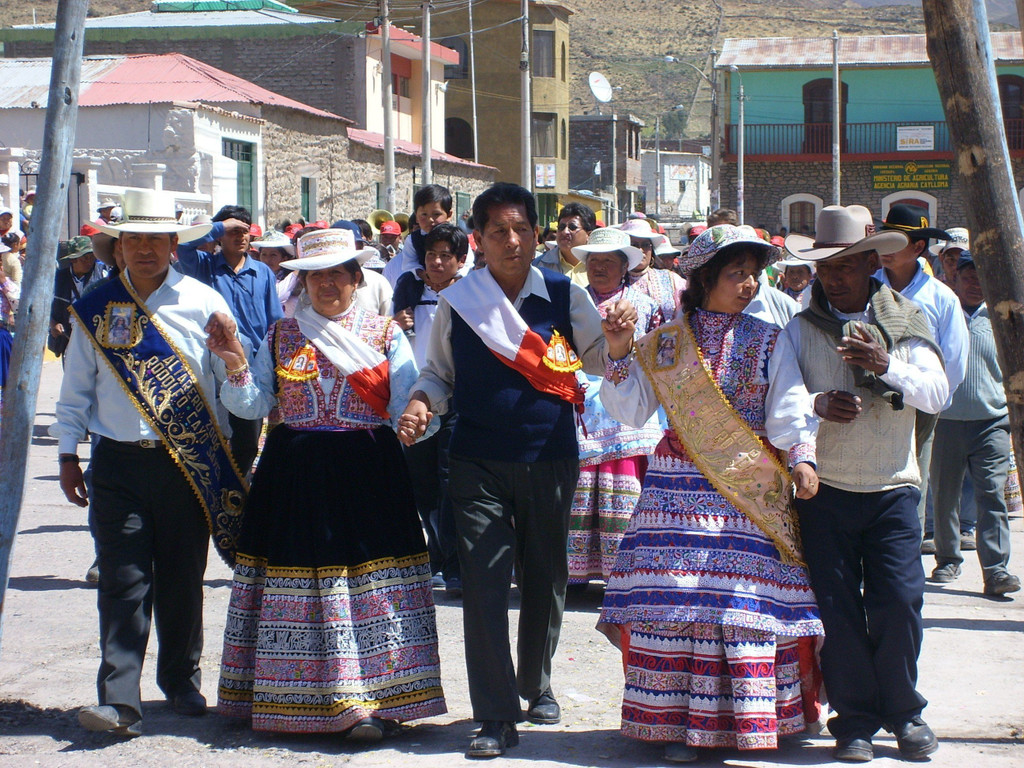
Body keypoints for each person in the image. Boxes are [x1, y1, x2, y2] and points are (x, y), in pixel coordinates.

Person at [400, 182, 631, 758]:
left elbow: (599, 361)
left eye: (521, 229)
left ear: (536, 235)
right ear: (477, 239)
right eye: (498, 231)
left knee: (546, 576)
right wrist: (421, 402)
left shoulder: (562, 293)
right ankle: (496, 716)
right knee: (482, 586)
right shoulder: (460, 301)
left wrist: (620, 341)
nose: (511, 240)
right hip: (477, 461)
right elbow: (438, 375)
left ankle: (537, 680)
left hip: (550, 455)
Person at [597, 224, 824, 763]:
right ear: (703, 280)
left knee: (741, 603)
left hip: (744, 494)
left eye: (753, 273)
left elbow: (788, 406)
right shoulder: (667, 343)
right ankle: (675, 725)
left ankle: (740, 722)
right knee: (677, 602)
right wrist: (617, 351)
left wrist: (802, 457)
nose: (748, 284)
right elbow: (629, 410)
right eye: (735, 274)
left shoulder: (770, 337)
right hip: (674, 493)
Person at [210, 227, 445, 738]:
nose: (326, 284)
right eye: (315, 275)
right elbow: (253, 405)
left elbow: (412, 399)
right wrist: (233, 365)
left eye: (338, 273)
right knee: (301, 581)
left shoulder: (385, 334)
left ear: (357, 279)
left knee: (369, 584)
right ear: (302, 282)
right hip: (293, 474)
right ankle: (292, 699)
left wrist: (417, 420)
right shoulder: (282, 335)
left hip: (368, 472)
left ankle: (375, 703)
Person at [51, 188, 248, 737]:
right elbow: (75, 394)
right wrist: (67, 455)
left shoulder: (206, 303)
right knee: (123, 578)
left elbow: (234, 388)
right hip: (117, 462)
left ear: (173, 245)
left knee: (183, 577)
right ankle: (118, 697)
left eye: (154, 239)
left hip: (188, 463)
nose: (143, 249)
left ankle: (181, 681)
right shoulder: (93, 309)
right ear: (117, 248)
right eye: (132, 239)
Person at [775, 205, 948, 762]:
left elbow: (937, 393)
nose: (835, 276)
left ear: (872, 262)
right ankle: (853, 721)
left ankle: (904, 712)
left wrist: (884, 366)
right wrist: (818, 403)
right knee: (838, 609)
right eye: (827, 267)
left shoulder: (906, 322)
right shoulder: (800, 330)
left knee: (899, 602)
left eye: (847, 264)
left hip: (894, 486)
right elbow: (779, 406)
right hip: (825, 490)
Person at [566, 227, 661, 585]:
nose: (600, 267)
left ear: (624, 267)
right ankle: (576, 574)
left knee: (625, 488)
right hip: (580, 409)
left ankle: (622, 575)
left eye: (609, 261)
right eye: (594, 261)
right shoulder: (573, 305)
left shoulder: (646, 307)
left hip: (627, 412)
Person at [875, 204, 968, 552]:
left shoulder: (940, 297)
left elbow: (954, 361)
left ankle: (905, 559)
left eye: (894, 242)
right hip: (871, 402)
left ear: (917, 248)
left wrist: (933, 401)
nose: (885, 250)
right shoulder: (867, 287)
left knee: (911, 483)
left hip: (919, 406)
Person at [928, 251, 1021, 596]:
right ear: (955, 278)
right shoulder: (943, 315)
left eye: (982, 277)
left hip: (992, 423)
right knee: (945, 495)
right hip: (946, 422)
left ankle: (996, 570)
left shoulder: (1002, 317)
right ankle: (948, 559)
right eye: (969, 277)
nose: (976, 284)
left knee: (991, 496)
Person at [177, 204, 283, 475]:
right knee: (213, 435)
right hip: (211, 365)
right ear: (219, 236)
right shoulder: (204, 266)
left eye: (245, 231)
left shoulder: (263, 273)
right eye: (232, 231)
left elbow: (275, 321)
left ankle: (239, 494)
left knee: (247, 438)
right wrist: (220, 226)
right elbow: (184, 246)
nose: (240, 237)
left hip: (251, 366)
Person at [392, 223, 469, 595]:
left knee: (449, 481)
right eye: (431, 255)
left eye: (445, 256)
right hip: (414, 399)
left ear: (460, 261)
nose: (436, 263)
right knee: (421, 483)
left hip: (454, 399)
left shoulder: (471, 296)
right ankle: (435, 555)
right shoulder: (408, 289)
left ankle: (454, 562)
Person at [383, 184, 457, 287]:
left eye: (436, 214)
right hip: (420, 289)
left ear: (449, 215)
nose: (430, 220)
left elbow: (467, 263)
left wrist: (456, 279)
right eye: (424, 215)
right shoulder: (413, 239)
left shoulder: (457, 237)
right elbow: (409, 263)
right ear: (416, 217)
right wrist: (422, 274)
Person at [49, 236, 108, 359]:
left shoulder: (103, 274)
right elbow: (44, 307)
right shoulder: (57, 278)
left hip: (96, 337)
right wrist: (53, 324)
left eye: (92, 257)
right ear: (72, 260)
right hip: (68, 337)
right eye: (85, 258)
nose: (89, 261)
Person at [622, 218, 685, 324]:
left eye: (645, 245)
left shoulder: (672, 280)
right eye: (634, 245)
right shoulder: (613, 281)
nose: (641, 250)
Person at [532, 202, 595, 287]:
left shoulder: (599, 266)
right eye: (561, 227)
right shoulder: (539, 265)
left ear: (589, 235)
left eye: (572, 227)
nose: (565, 232)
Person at [250, 229, 300, 317]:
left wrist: (295, 274)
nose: (267, 260)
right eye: (264, 254)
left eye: (273, 255)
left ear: (284, 258)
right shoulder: (254, 277)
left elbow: (277, 296)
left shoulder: (293, 278)